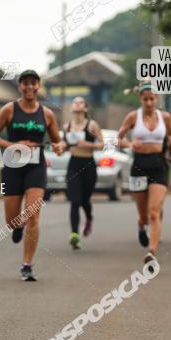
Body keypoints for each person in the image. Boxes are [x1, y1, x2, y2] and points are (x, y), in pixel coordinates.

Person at [0, 69, 62, 280]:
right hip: (12, 166)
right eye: (25, 83)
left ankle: (27, 264)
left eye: (33, 83)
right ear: (20, 86)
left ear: (38, 86)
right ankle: (17, 227)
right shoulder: (9, 110)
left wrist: (58, 146)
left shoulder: (47, 114)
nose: (29, 87)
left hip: (36, 167)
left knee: (33, 215)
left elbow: (57, 140)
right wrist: (13, 145)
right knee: (12, 221)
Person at [116, 80, 171, 264]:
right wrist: (130, 144)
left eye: (152, 99)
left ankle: (151, 252)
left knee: (154, 212)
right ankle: (140, 225)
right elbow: (116, 140)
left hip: (159, 165)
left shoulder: (165, 117)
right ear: (140, 98)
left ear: (157, 98)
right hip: (139, 166)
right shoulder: (132, 117)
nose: (148, 103)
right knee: (144, 215)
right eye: (145, 99)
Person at [61, 96, 104, 250]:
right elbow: (63, 145)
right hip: (73, 164)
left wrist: (87, 144)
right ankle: (74, 234)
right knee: (75, 201)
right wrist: (61, 146)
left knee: (85, 200)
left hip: (88, 165)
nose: (77, 104)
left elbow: (102, 144)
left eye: (80, 102)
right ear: (72, 107)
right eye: (74, 102)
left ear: (85, 108)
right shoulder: (67, 126)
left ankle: (89, 218)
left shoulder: (92, 125)